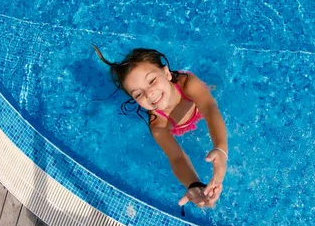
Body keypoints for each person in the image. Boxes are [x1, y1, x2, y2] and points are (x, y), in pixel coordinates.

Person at [94, 46, 228, 209]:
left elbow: (209, 107)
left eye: (151, 81)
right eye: (138, 94)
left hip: (196, 104)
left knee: (216, 87)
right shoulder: (158, 125)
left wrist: (220, 148)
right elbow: (176, 158)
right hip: (179, 126)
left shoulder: (188, 85)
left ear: (166, 73)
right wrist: (193, 184)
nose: (149, 93)